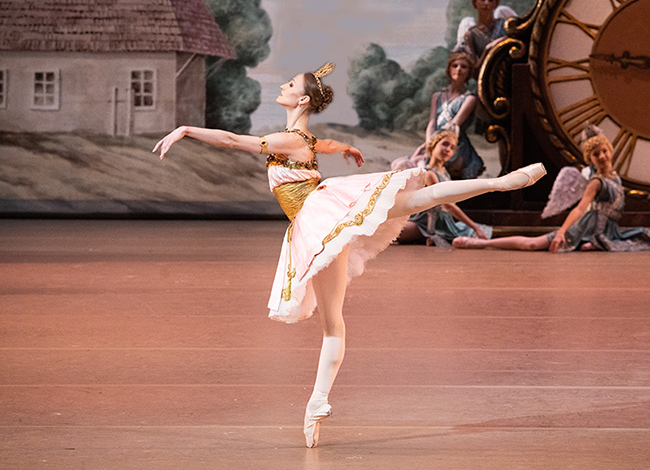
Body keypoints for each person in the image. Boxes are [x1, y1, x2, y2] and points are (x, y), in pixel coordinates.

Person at [153, 62, 546, 448]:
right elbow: (314, 146)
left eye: (289, 83)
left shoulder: (289, 139)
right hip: (319, 219)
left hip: (319, 216)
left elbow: (231, 140)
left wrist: (186, 129)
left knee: (341, 311)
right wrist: (342, 146)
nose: (283, 85)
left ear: (301, 98)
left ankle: (498, 182)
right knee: (343, 308)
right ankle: (317, 403)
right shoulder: (298, 138)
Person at [453, 127, 650, 253]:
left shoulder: (614, 178)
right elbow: (580, 209)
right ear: (590, 158)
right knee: (534, 244)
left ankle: (594, 244)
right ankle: (483, 244)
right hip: (588, 228)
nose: (602, 156)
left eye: (604, 151)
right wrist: (561, 232)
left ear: (610, 151)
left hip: (610, 231)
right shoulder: (596, 182)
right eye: (596, 154)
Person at [391, 50, 484, 179]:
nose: (459, 69)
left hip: (454, 142)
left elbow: (453, 124)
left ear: (469, 72)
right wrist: (429, 144)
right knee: (403, 164)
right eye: (455, 65)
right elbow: (432, 123)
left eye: (464, 67)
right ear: (449, 69)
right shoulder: (438, 96)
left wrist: (432, 147)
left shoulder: (469, 99)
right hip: (434, 141)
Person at [396, 129, 492, 246]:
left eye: (452, 148)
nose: (448, 150)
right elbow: (447, 205)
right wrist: (474, 226)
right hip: (424, 222)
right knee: (388, 234)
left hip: (442, 221)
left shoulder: (444, 173)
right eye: (445, 144)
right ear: (433, 146)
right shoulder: (428, 173)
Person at [463, 0, 507, 72]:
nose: (486, 3)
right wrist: (487, 50)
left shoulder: (504, 25)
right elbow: (474, 70)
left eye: (491, 0)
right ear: (475, 2)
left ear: (496, 4)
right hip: (486, 79)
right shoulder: (471, 34)